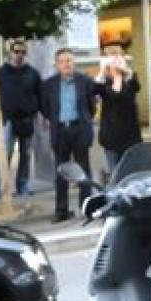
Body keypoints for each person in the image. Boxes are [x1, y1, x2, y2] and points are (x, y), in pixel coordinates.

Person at [41, 48, 99, 223]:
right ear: (57, 65)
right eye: (62, 61)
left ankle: (86, 207)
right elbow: (45, 108)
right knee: (61, 171)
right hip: (60, 131)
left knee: (83, 170)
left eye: (69, 61)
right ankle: (61, 210)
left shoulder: (85, 82)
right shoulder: (49, 84)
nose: (66, 64)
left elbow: (92, 107)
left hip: (79, 129)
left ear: (74, 62)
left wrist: (85, 122)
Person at [0, 39, 42, 198]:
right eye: (16, 51)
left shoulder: (32, 73)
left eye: (23, 52)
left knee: (26, 154)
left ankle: (23, 185)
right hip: (8, 119)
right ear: (10, 53)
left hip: (27, 119)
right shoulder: (1, 72)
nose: (19, 55)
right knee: (5, 154)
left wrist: (40, 114)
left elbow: (40, 94)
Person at [95, 45, 141, 174]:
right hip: (111, 137)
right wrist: (103, 72)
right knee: (115, 173)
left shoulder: (130, 80)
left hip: (130, 136)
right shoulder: (103, 83)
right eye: (112, 58)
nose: (116, 62)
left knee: (130, 173)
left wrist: (126, 72)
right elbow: (96, 90)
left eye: (119, 57)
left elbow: (136, 87)